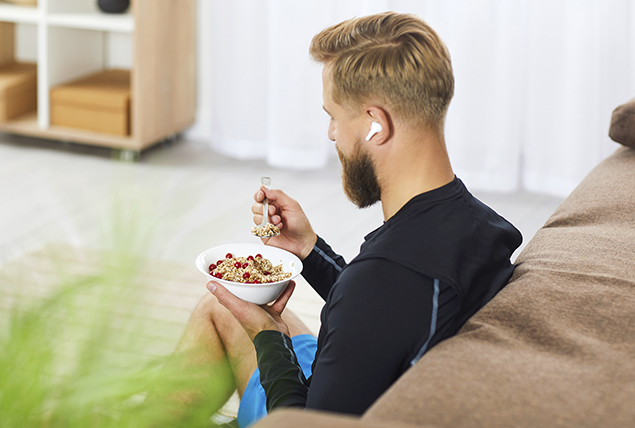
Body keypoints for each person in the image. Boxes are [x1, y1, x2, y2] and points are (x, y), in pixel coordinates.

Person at [175, 11, 522, 428]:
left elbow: (301, 422)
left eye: (334, 116)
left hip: (309, 410)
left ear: (377, 124)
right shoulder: (482, 226)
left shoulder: (383, 280)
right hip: (369, 385)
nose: (332, 134)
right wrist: (309, 249)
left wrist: (268, 335)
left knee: (219, 308)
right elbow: (385, 315)